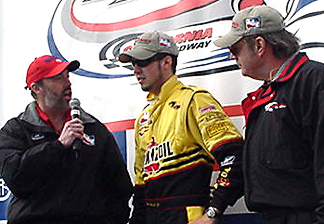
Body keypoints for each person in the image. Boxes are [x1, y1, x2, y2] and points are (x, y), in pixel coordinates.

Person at [118, 31, 244, 224]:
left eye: (143, 62)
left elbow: (234, 156)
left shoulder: (194, 100)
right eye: (133, 63)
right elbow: (141, 187)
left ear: (166, 62)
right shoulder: (143, 117)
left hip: (186, 215)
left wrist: (213, 212)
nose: (136, 69)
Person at [214, 5, 324, 224]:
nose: (231, 55)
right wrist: (214, 209)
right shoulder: (267, 93)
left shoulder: (313, 80)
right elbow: (249, 163)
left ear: (259, 45)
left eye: (235, 48)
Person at [0, 55, 132, 224]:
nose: (67, 83)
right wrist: (59, 146)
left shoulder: (93, 128)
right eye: (58, 78)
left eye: (67, 77)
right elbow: (16, 178)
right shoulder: (16, 130)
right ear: (36, 88)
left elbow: (119, 187)